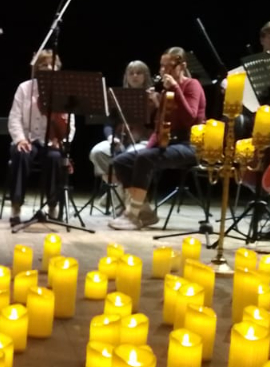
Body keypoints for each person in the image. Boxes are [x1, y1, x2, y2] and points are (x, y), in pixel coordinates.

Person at [108, 46, 207, 230]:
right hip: (169, 142)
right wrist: (147, 148)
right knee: (122, 161)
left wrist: (175, 88)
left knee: (145, 158)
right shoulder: (165, 93)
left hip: (190, 145)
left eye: (169, 66)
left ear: (182, 66)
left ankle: (132, 215)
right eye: (162, 66)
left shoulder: (192, 85)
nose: (163, 70)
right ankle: (145, 212)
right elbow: (159, 127)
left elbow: (190, 117)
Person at [6, 49, 72, 225]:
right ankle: (16, 205)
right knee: (21, 154)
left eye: (52, 65)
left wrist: (62, 141)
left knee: (55, 158)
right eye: (44, 65)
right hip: (27, 138)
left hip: (51, 141)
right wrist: (20, 139)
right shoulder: (24, 88)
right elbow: (14, 118)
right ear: (36, 68)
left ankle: (52, 205)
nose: (49, 68)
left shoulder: (63, 91)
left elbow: (70, 124)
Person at [88, 60, 151, 199]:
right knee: (97, 152)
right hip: (120, 140)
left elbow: (154, 124)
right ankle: (122, 192)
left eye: (139, 73)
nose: (134, 76)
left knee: (128, 157)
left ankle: (118, 197)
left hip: (143, 141)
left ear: (145, 76)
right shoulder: (117, 96)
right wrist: (111, 137)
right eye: (131, 73)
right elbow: (108, 123)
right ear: (126, 76)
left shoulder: (153, 97)